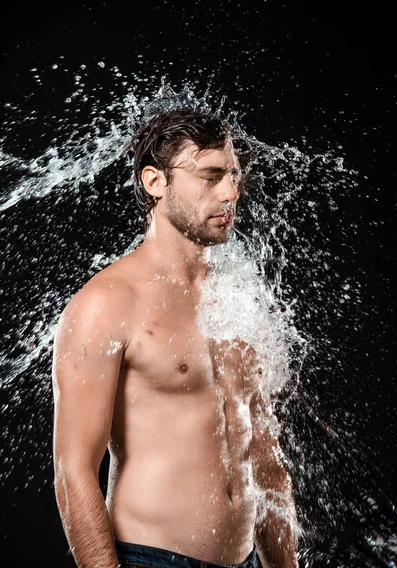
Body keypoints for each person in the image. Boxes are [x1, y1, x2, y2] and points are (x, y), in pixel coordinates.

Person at [52, 108, 299, 568]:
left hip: (246, 558)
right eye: (210, 175)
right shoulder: (108, 303)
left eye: (233, 175)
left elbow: (265, 460)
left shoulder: (239, 296)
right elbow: (74, 471)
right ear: (155, 182)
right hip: (151, 557)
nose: (230, 192)